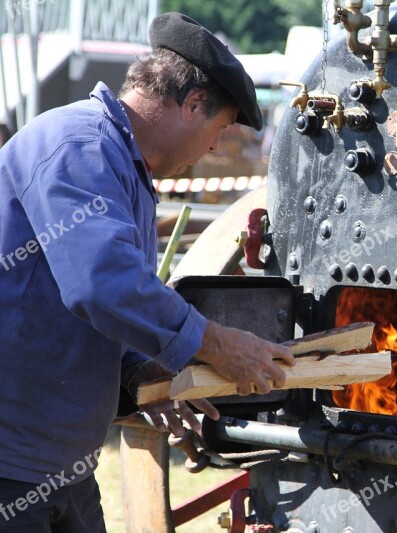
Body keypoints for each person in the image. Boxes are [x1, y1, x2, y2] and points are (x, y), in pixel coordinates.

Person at [0, 12, 293, 532]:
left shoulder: (124, 166)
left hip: (61, 465)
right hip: (12, 465)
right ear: (192, 104)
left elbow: (90, 297)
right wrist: (217, 344)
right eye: (220, 129)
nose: (214, 149)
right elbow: (100, 284)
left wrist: (140, 370)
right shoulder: (78, 145)